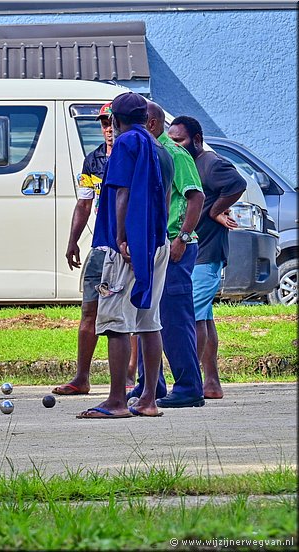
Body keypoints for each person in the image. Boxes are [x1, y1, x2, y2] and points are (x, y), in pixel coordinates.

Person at [77, 92, 172, 419]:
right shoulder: (161, 149)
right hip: (158, 242)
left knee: (116, 321)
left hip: (129, 245)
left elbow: (121, 193)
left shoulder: (126, 144)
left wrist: (122, 237)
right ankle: (148, 399)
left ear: (115, 119)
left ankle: (117, 400)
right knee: (148, 320)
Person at [129, 102, 207, 407]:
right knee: (149, 317)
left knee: (175, 319)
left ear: (150, 123)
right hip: (157, 246)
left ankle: (188, 387)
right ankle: (151, 385)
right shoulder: (150, 152)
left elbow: (195, 196)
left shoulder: (173, 153)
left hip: (177, 246)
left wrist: (182, 238)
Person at [168, 116, 246, 400]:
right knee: (205, 317)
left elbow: (237, 183)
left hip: (206, 253)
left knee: (193, 318)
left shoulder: (210, 163)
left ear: (197, 139)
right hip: (196, 255)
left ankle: (189, 382)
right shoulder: (186, 163)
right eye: (172, 139)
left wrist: (216, 211)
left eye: (180, 140)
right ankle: (211, 382)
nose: (175, 145)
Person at [54, 102, 113, 396]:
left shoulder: (137, 156)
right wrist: (72, 240)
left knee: (127, 316)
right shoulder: (94, 161)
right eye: (104, 123)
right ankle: (82, 377)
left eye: (113, 122)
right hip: (100, 245)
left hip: (126, 247)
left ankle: (129, 378)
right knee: (89, 310)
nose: (109, 129)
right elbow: (84, 203)